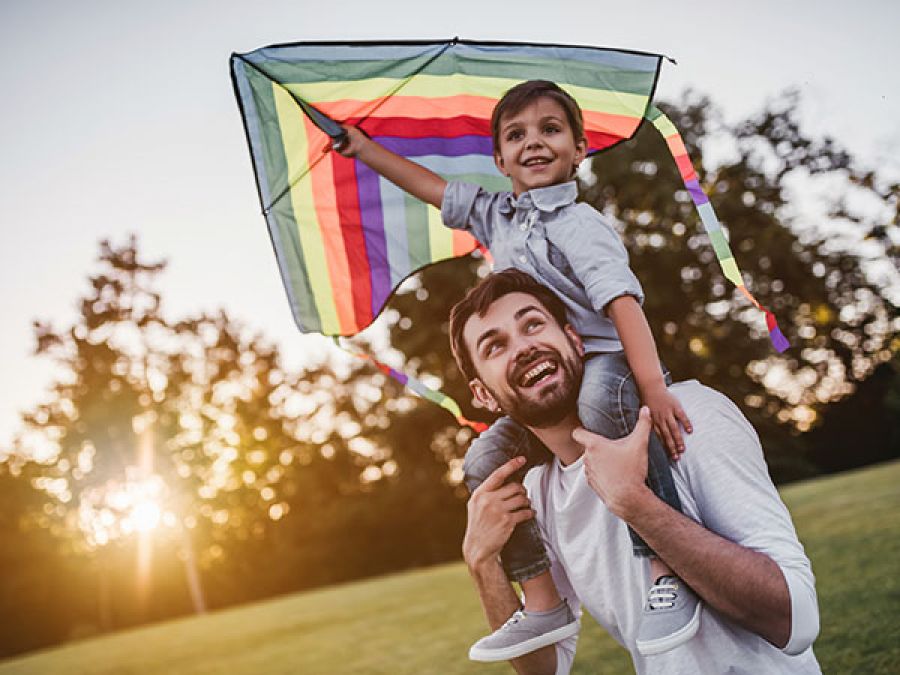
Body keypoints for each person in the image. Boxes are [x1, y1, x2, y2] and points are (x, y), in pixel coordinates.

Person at [335, 79, 699, 661]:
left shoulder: (580, 225)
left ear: (579, 148)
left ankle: (664, 571)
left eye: (550, 130)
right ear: (499, 158)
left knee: (600, 406)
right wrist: (363, 149)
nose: (534, 142)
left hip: (605, 363)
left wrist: (652, 387)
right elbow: (431, 188)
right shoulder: (495, 216)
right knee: (484, 460)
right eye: (516, 134)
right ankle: (543, 600)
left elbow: (624, 305)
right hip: (543, 382)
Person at [449, 268, 821, 674]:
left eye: (533, 324)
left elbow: (796, 621)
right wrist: (482, 563)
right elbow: (543, 668)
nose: (523, 347)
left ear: (574, 339)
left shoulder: (685, 417)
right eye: (495, 346)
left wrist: (635, 503)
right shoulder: (535, 494)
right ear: (483, 395)